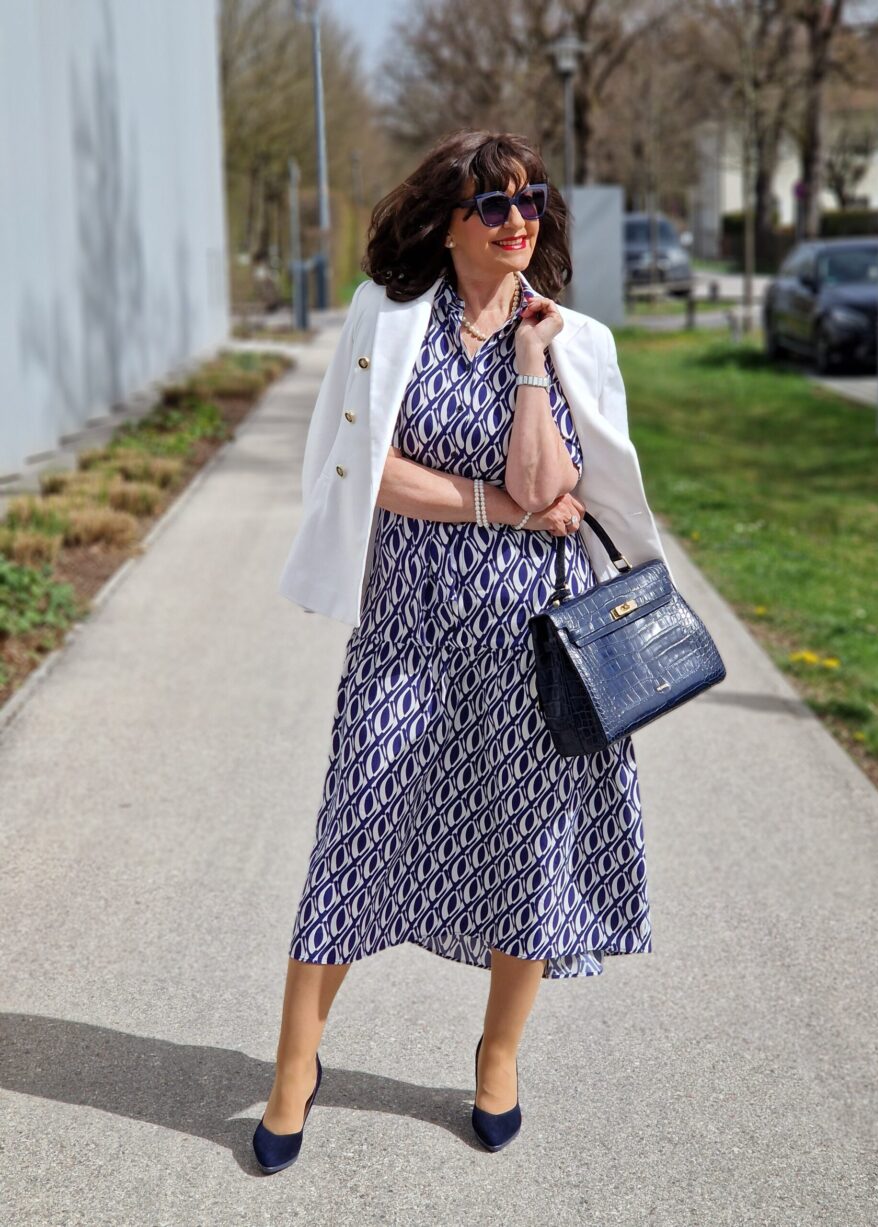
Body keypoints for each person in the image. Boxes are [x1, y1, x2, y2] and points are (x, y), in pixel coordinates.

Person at [254, 130, 667, 1172]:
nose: (517, 219)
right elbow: (366, 469)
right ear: (446, 223)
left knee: (526, 848)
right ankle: (295, 1067)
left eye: (529, 200)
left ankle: (498, 1054)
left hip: (531, 643)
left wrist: (529, 365)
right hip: (406, 630)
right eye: (492, 205)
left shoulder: (570, 339)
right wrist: (494, 506)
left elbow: (549, 488)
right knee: (353, 834)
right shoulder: (385, 318)